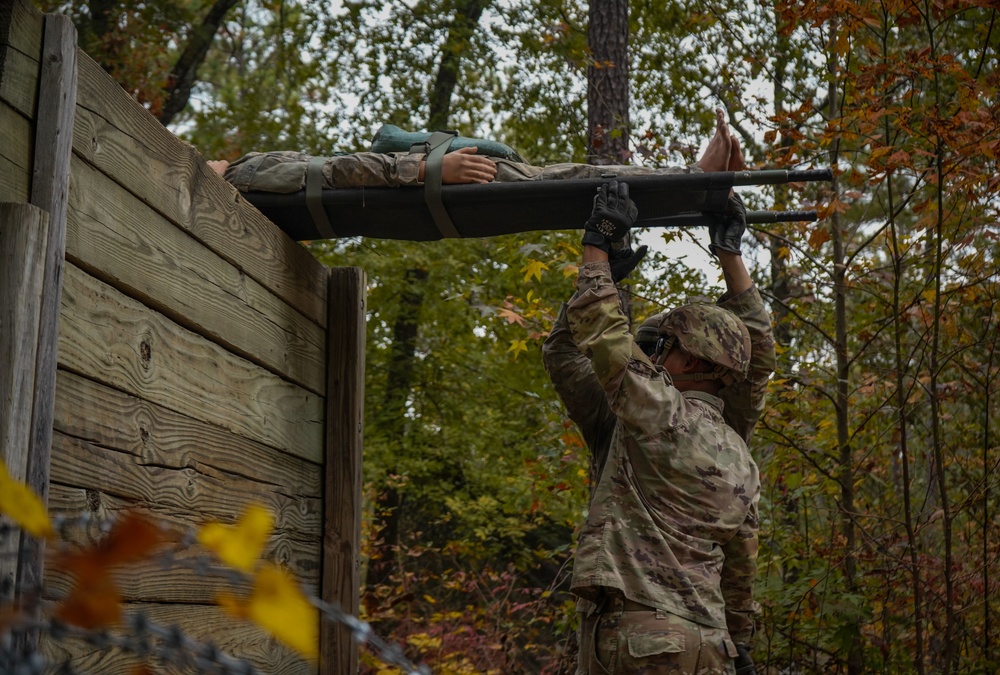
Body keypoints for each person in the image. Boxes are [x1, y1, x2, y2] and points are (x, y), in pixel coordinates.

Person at [541, 113, 775, 674]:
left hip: (642, 641)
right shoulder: (736, 450)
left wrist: (598, 250)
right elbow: (757, 359)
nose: (651, 356)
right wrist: (731, 253)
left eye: (662, 345)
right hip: (710, 644)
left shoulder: (659, 415)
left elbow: (597, 329)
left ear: (691, 361)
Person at [205, 111, 739, 193]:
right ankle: (691, 176)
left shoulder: (244, 169)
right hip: (442, 177)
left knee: (569, 176)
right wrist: (430, 167)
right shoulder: (244, 176)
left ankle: (690, 175)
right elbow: (337, 172)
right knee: (571, 179)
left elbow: (336, 168)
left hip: (440, 174)